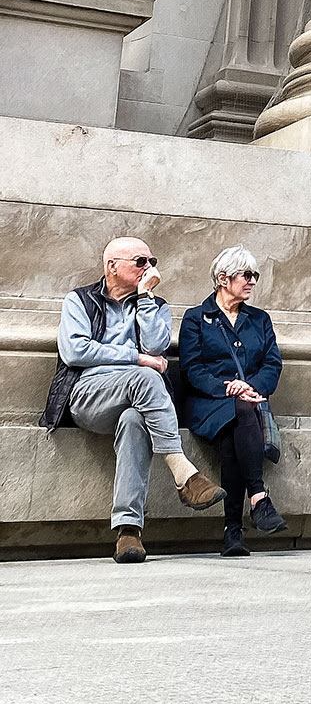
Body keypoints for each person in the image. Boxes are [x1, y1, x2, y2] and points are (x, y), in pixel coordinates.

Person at [41, 237, 224, 562]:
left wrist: (145, 297)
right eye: (140, 262)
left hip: (136, 400)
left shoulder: (156, 304)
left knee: (134, 420)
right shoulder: (80, 301)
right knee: (146, 374)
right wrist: (134, 358)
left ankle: (128, 532)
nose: (149, 268)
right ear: (112, 266)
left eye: (152, 261)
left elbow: (156, 348)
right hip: (88, 395)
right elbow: (75, 350)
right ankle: (183, 472)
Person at [177, 247, 287, 557]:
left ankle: (233, 532)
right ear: (224, 279)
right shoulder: (197, 318)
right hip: (207, 402)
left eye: (255, 275)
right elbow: (192, 369)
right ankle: (258, 498)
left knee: (234, 432)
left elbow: (272, 364)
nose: (253, 281)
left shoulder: (260, 319)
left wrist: (249, 387)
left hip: (247, 402)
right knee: (239, 411)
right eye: (247, 275)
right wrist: (230, 388)